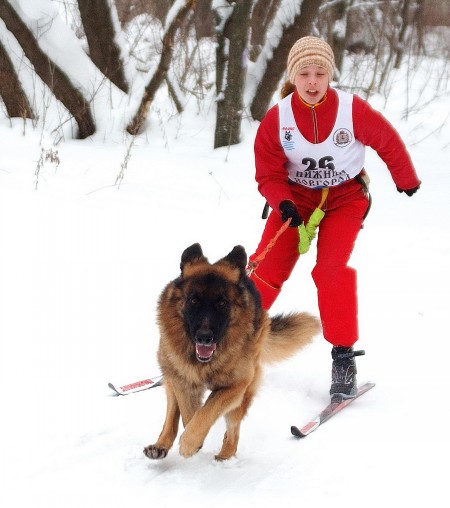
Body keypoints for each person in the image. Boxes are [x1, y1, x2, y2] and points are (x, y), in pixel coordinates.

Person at [248, 36, 421, 402]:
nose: (312, 81)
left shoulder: (351, 110)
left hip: (344, 199)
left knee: (330, 271)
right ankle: (228, 341)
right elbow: (267, 172)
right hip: (295, 200)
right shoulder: (278, 119)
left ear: (330, 75)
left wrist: (406, 178)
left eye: (320, 73)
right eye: (305, 74)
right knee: (265, 269)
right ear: (294, 77)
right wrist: (282, 203)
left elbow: (386, 140)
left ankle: (343, 357)